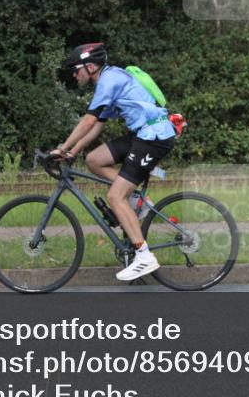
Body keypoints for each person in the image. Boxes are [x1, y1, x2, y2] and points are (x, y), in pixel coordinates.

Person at [50, 42, 176, 281]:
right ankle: (136, 197)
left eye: (76, 69)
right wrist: (72, 152)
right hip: (142, 134)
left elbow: (88, 121)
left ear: (90, 66)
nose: (74, 75)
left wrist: (61, 148)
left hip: (153, 137)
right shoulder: (108, 80)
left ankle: (144, 256)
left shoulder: (109, 81)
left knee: (115, 196)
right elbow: (97, 125)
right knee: (94, 159)